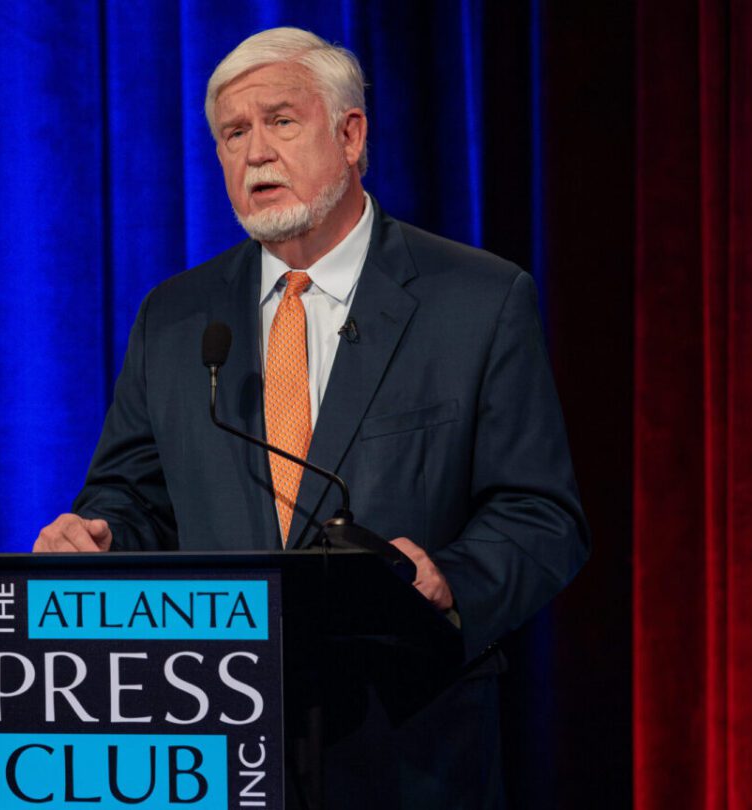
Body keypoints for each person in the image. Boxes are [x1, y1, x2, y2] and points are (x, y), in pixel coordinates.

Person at [34, 26, 588, 808]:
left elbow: (541, 514)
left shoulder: (477, 301)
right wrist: (98, 534)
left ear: (351, 134)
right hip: (214, 744)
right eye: (233, 133)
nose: (255, 151)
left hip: (410, 750)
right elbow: (134, 497)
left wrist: (449, 579)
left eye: (281, 121)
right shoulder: (177, 317)